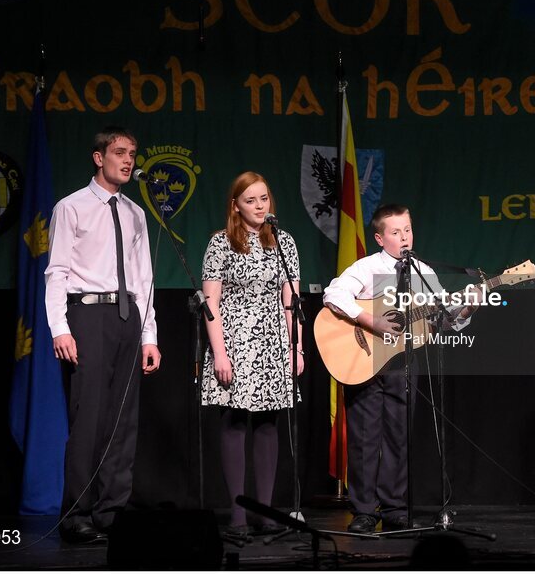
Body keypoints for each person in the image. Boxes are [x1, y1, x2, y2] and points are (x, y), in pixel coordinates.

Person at [323, 204, 477, 533]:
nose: (404, 237)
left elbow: (443, 318)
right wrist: (371, 320)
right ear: (380, 238)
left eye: (407, 229)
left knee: (399, 436)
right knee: (365, 438)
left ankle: (394, 506)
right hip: (364, 362)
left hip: (403, 363)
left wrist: (465, 308)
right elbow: (333, 294)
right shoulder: (366, 268)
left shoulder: (423, 272)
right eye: (395, 232)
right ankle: (364, 509)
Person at [45, 126, 161, 544]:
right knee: (89, 418)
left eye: (132, 153)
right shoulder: (71, 207)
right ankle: (77, 512)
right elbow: (56, 271)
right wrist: (60, 327)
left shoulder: (135, 212)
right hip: (88, 316)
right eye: (119, 152)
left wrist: (149, 335)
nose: (128, 160)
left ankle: (112, 511)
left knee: (122, 421)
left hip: (128, 316)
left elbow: (144, 276)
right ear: (99, 157)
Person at [200, 172, 303, 544]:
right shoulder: (221, 243)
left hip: (274, 341)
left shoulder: (285, 242)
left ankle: (265, 512)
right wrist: (219, 353)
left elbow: (291, 302)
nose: (260, 207)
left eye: (264, 199)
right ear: (236, 206)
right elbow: (210, 303)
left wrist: (297, 347)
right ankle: (238, 514)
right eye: (251, 201)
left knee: (267, 425)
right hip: (235, 341)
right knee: (234, 422)